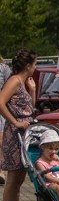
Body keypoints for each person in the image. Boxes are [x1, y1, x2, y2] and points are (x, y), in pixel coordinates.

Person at [0, 48, 37, 201]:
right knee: (13, 179)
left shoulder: (24, 82)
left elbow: (31, 107)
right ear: (28, 66)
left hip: (25, 135)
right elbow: (0, 101)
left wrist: (33, 90)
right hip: (14, 135)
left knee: (19, 180)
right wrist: (14, 121)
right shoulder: (14, 80)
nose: (35, 68)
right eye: (35, 64)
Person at [0, 55, 13, 185]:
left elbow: (11, 87)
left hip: (1, 109)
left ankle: (1, 172)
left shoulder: (3, 68)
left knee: (1, 141)